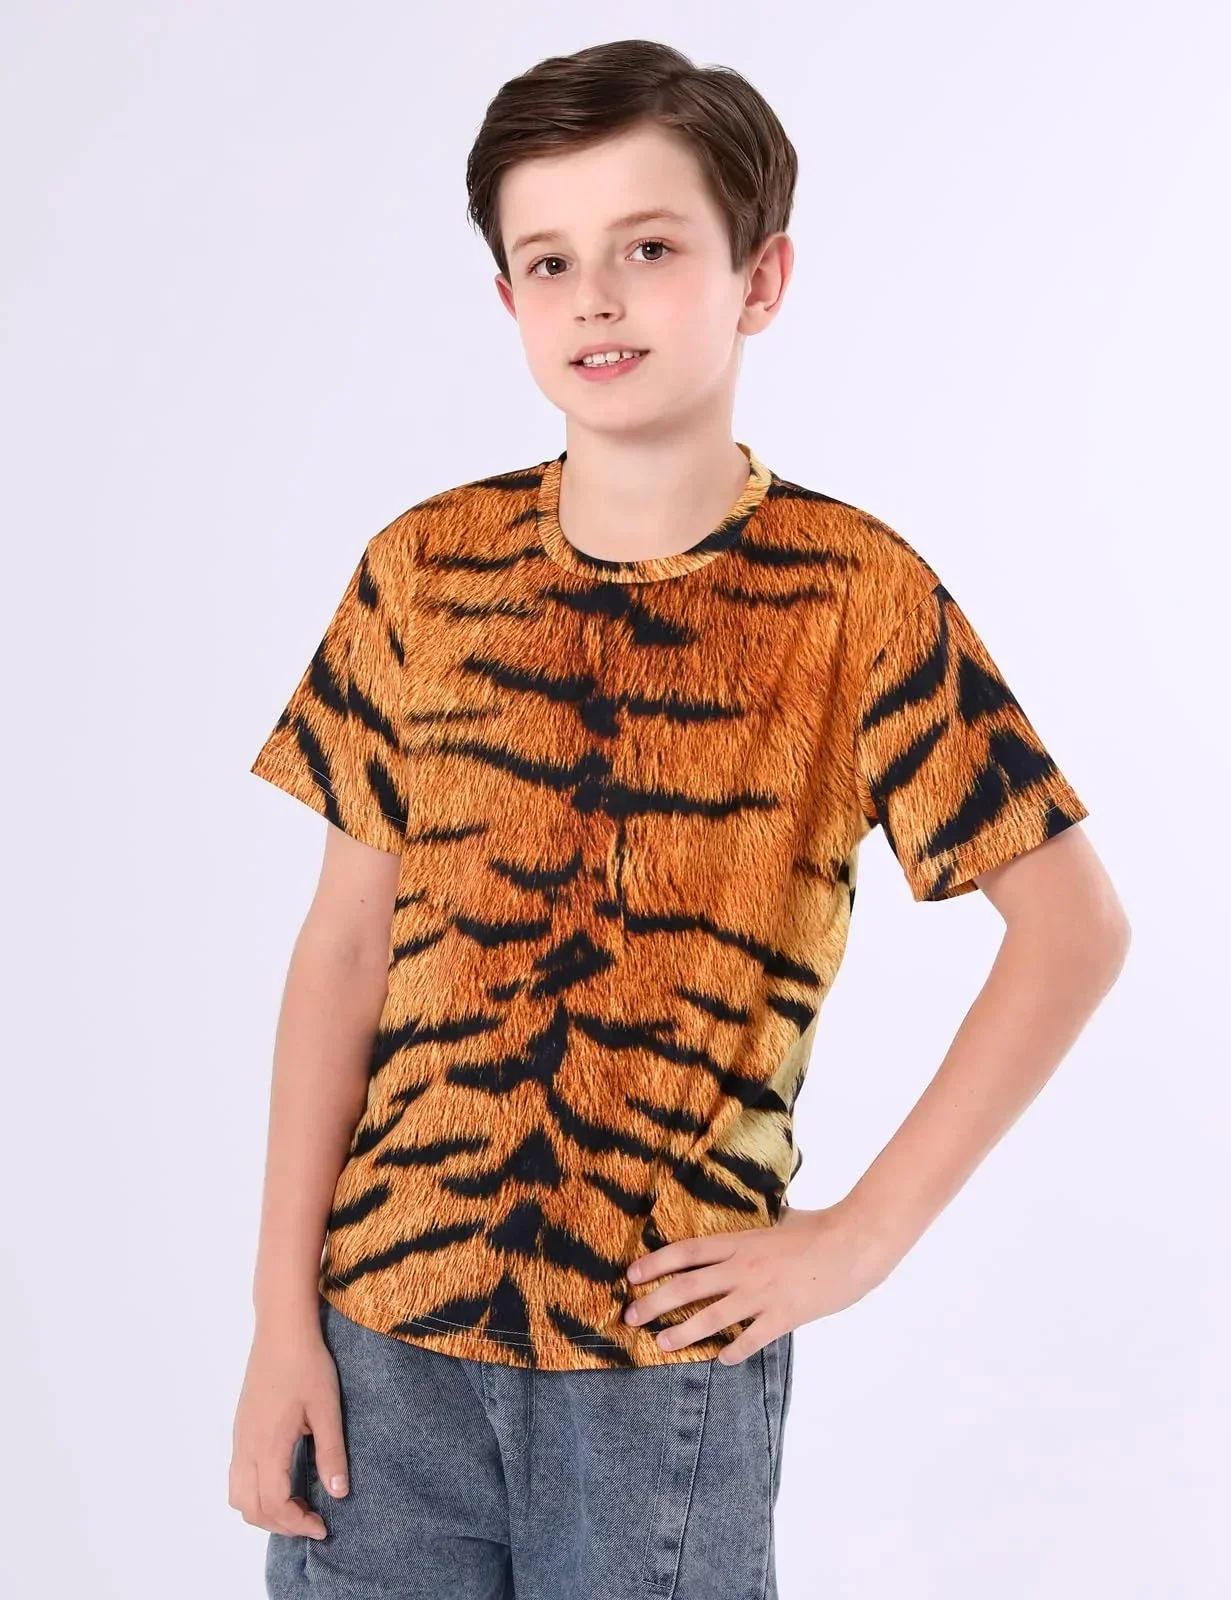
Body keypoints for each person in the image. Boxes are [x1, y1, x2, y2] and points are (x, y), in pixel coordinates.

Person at [229, 37, 1130, 1600]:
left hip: (659, 1356)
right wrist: (276, 1318)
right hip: (378, 1343)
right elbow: (343, 947)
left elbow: (1073, 931)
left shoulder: (853, 595)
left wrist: (860, 1238)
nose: (596, 298)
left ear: (757, 278)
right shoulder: (421, 571)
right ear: (507, 299)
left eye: (648, 249)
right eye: (550, 261)